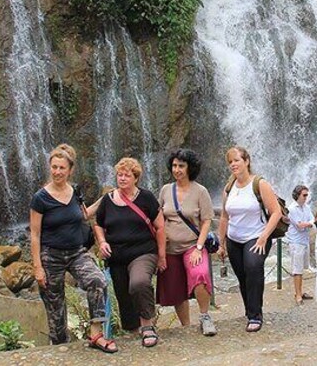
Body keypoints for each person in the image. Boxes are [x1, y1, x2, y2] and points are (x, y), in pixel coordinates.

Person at [30, 144, 113, 353]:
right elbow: (35, 234)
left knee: (98, 281)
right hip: (51, 256)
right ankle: (61, 350)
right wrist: (37, 267)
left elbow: (83, 215)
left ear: (70, 170)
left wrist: (106, 198)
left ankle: (95, 334)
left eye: (61, 168)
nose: (57, 172)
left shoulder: (75, 191)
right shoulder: (40, 198)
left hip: (76, 252)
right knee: (56, 312)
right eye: (54, 167)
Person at [94, 157, 166, 348]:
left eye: (127, 175)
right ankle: (135, 331)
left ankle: (148, 325)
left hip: (143, 252)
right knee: (124, 296)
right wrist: (101, 242)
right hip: (117, 257)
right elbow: (98, 224)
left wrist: (162, 255)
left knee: (139, 283)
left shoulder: (146, 198)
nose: (122, 178)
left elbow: (160, 227)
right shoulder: (107, 200)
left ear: (136, 178)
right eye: (120, 174)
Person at [218, 146, 282, 333]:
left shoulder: (260, 184)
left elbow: (276, 212)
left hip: (256, 236)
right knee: (242, 276)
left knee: (253, 268)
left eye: (236, 160)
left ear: (246, 161)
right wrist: (221, 243)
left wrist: (263, 237)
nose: (233, 164)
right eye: (230, 162)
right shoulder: (229, 188)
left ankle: (255, 315)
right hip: (234, 238)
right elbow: (224, 217)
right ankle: (249, 311)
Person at [157, 148, 217, 336]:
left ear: (190, 168)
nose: (177, 170)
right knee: (176, 286)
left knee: (199, 274)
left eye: (181, 166)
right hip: (169, 248)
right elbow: (159, 216)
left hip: (193, 245)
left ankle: (205, 317)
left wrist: (199, 247)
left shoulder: (200, 191)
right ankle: (186, 325)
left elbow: (207, 220)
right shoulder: (166, 190)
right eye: (174, 166)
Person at [286, 184, 312, 305]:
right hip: (296, 242)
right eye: (304, 195)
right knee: (297, 270)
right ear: (297, 195)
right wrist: (308, 224)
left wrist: (307, 223)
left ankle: (300, 292)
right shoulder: (292, 209)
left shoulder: (306, 207)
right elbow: (300, 226)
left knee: (302, 268)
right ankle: (297, 295)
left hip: (305, 241)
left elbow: (312, 220)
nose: (306, 197)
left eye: (307, 195)